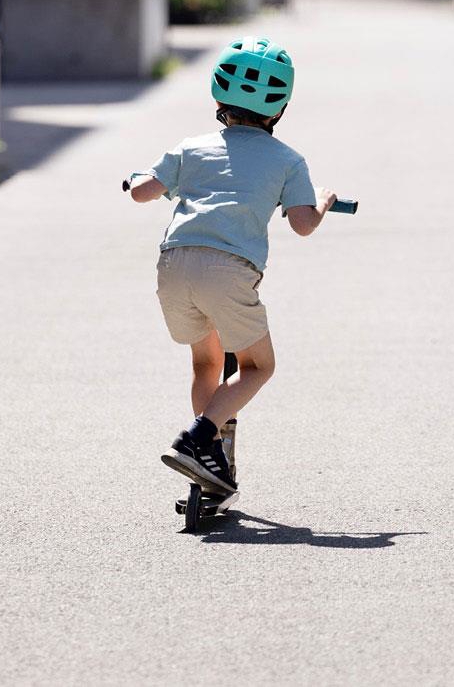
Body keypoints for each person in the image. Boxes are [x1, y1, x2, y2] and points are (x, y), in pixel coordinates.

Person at [130, 37, 336, 494]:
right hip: (228, 269)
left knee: (206, 363)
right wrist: (321, 202)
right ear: (280, 108)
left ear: (218, 95)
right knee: (258, 366)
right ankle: (199, 439)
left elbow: (142, 191)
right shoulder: (288, 160)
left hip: (174, 263)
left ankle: (211, 465)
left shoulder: (191, 147)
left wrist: (147, 178)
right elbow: (303, 224)